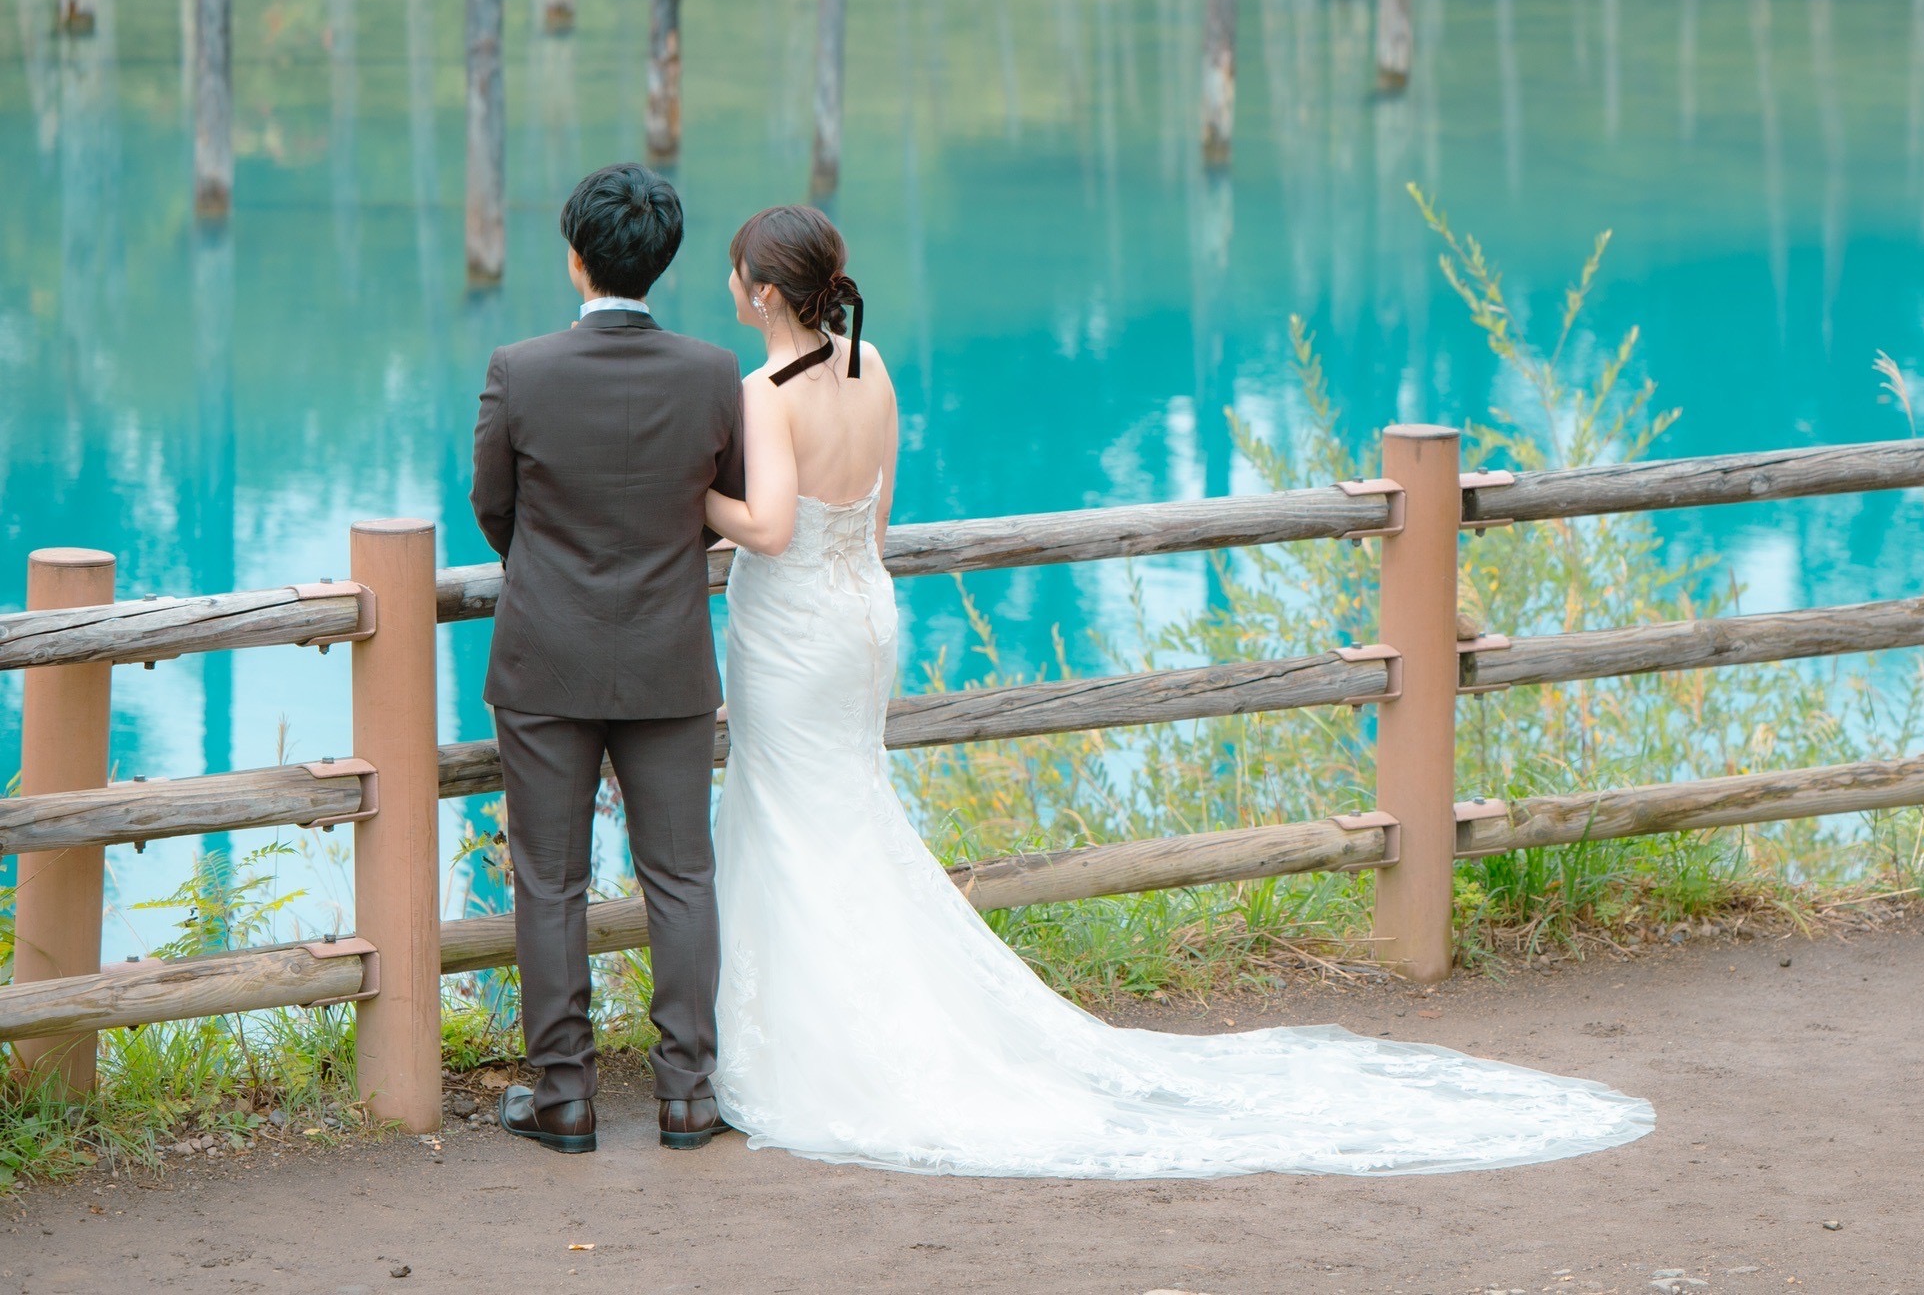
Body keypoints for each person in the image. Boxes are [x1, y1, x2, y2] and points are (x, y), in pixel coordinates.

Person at [703, 204, 1654, 1177]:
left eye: (735, 273)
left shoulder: (764, 390)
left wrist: (697, 499)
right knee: (843, 819)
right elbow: (878, 522)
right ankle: (869, 1029)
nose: (729, 285)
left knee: (792, 820)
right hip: (862, 613)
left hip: (793, 633)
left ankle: (823, 1048)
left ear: (766, 291)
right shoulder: (870, 367)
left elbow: (770, 527)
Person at [470, 164, 741, 1155]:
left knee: (550, 879)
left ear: (576, 253)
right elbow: (727, 498)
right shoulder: (713, 371)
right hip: (669, 652)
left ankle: (566, 1097)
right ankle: (687, 1097)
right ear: (662, 259)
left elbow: (493, 507)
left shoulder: (519, 367)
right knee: (680, 873)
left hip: (545, 652)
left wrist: (549, 569)